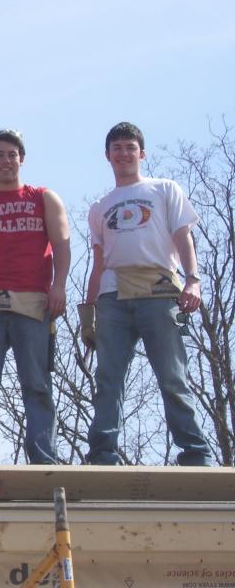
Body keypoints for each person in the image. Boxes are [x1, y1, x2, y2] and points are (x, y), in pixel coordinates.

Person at [82, 122, 213, 466]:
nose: (123, 153)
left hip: (159, 292)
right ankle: (102, 453)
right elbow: (98, 262)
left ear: (142, 153)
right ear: (107, 156)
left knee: (172, 375)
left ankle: (195, 452)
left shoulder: (164, 189)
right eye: (117, 148)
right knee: (108, 378)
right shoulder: (100, 207)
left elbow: (184, 237)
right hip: (113, 297)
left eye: (130, 147)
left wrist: (193, 280)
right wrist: (88, 311)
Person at [0, 129, 70, 464]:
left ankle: (43, 458)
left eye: (12, 154)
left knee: (37, 385)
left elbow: (61, 244)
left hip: (33, 302)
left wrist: (59, 285)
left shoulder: (44, 198)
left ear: (21, 159)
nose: (6, 160)